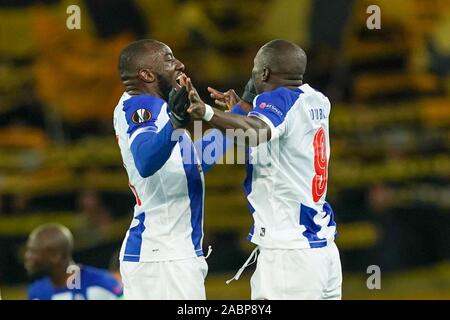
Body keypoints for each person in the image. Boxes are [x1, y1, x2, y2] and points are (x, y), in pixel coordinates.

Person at [185, 39, 342, 300]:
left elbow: (258, 132)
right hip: (323, 250)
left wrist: (209, 113)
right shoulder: (318, 99)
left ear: (265, 73)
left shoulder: (279, 99)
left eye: (255, 68)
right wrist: (242, 112)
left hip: (289, 255)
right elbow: (272, 132)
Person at [114, 39, 210, 300]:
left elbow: (191, 162)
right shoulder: (143, 106)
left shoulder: (159, 109)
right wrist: (176, 123)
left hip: (165, 255)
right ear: (146, 74)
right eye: (169, 59)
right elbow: (145, 161)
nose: (179, 64)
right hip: (163, 257)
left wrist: (236, 119)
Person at [24, 223, 123, 300]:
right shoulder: (36, 292)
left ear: (55, 256)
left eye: (33, 252)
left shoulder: (101, 284)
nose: (27, 256)